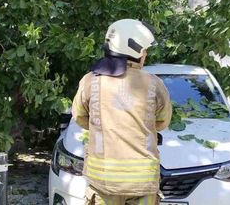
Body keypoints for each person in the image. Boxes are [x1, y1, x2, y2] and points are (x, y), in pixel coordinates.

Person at [72, 19, 172, 205]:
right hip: (142, 181)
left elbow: (79, 116)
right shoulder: (154, 84)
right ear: (134, 49)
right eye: (144, 50)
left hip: (104, 181)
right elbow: (163, 122)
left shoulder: (90, 81)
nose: (146, 54)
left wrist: (103, 125)